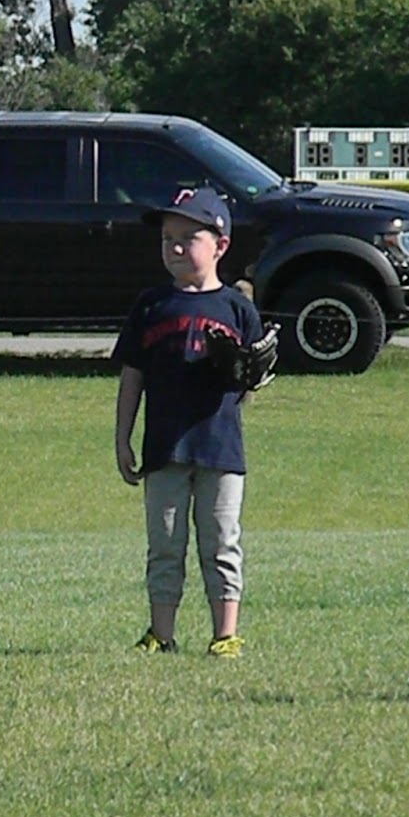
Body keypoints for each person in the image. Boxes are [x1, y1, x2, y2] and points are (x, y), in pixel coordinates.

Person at [113, 185, 265, 660]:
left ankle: (225, 635)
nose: (175, 248)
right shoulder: (151, 305)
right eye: (167, 239)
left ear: (220, 245)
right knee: (165, 544)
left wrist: (246, 372)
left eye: (188, 238)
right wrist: (122, 438)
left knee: (221, 541)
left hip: (221, 447)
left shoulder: (237, 308)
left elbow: (252, 382)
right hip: (164, 447)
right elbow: (132, 376)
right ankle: (161, 634)